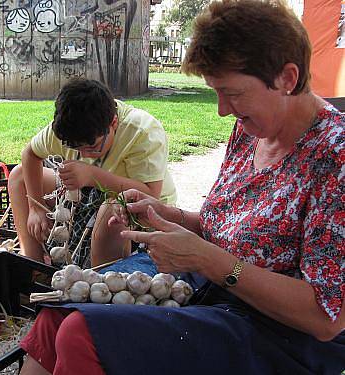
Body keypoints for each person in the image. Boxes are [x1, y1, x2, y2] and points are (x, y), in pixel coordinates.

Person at [17, 0, 344, 373]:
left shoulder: (335, 159)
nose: (222, 109)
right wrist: (170, 216)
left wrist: (207, 259)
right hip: (214, 287)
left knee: (81, 332)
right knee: (58, 314)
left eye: (232, 93)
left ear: (287, 78)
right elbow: (229, 228)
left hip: (275, 333)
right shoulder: (251, 132)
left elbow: (325, 316)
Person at [8, 78, 176, 268]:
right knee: (19, 176)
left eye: (92, 146)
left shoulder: (142, 131)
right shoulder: (69, 127)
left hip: (142, 210)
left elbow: (150, 193)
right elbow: (30, 154)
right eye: (75, 147)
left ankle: (98, 281)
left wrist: (92, 175)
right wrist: (35, 206)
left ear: (114, 123)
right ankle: (33, 265)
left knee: (111, 209)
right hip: (86, 194)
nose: (84, 154)